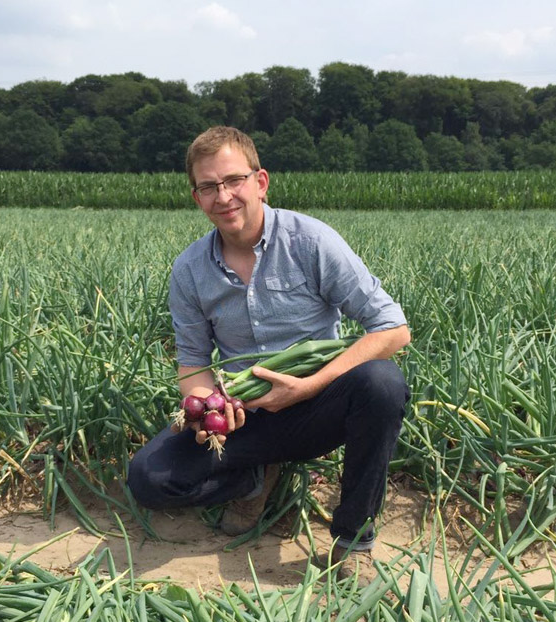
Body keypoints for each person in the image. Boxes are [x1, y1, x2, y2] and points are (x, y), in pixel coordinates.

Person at [127, 126, 411, 584]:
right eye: (208, 186)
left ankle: (353, 540)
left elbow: (393, 328)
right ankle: (254, 480)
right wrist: (207, 412)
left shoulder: (311, 241)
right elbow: (194, 363)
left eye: (233, 180)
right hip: (246, 413)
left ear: (260, 181)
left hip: (317, 406)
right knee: (149, 478)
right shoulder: (189, 270)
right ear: (196, 197)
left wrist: (310, 385)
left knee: (382, 383)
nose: (223, 196)